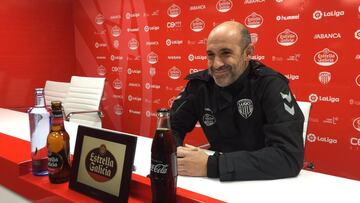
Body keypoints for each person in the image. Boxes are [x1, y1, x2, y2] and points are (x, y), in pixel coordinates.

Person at [170, 21, 304, 181]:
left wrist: (211, 165)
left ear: (248, 53)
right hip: (213, 183)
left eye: (226, 53)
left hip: (264, 183)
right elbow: (171, 127)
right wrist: (174, 153)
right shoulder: (199, 86)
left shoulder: (271, 84)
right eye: (210, 55)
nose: (216, 64)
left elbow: (289, 156)